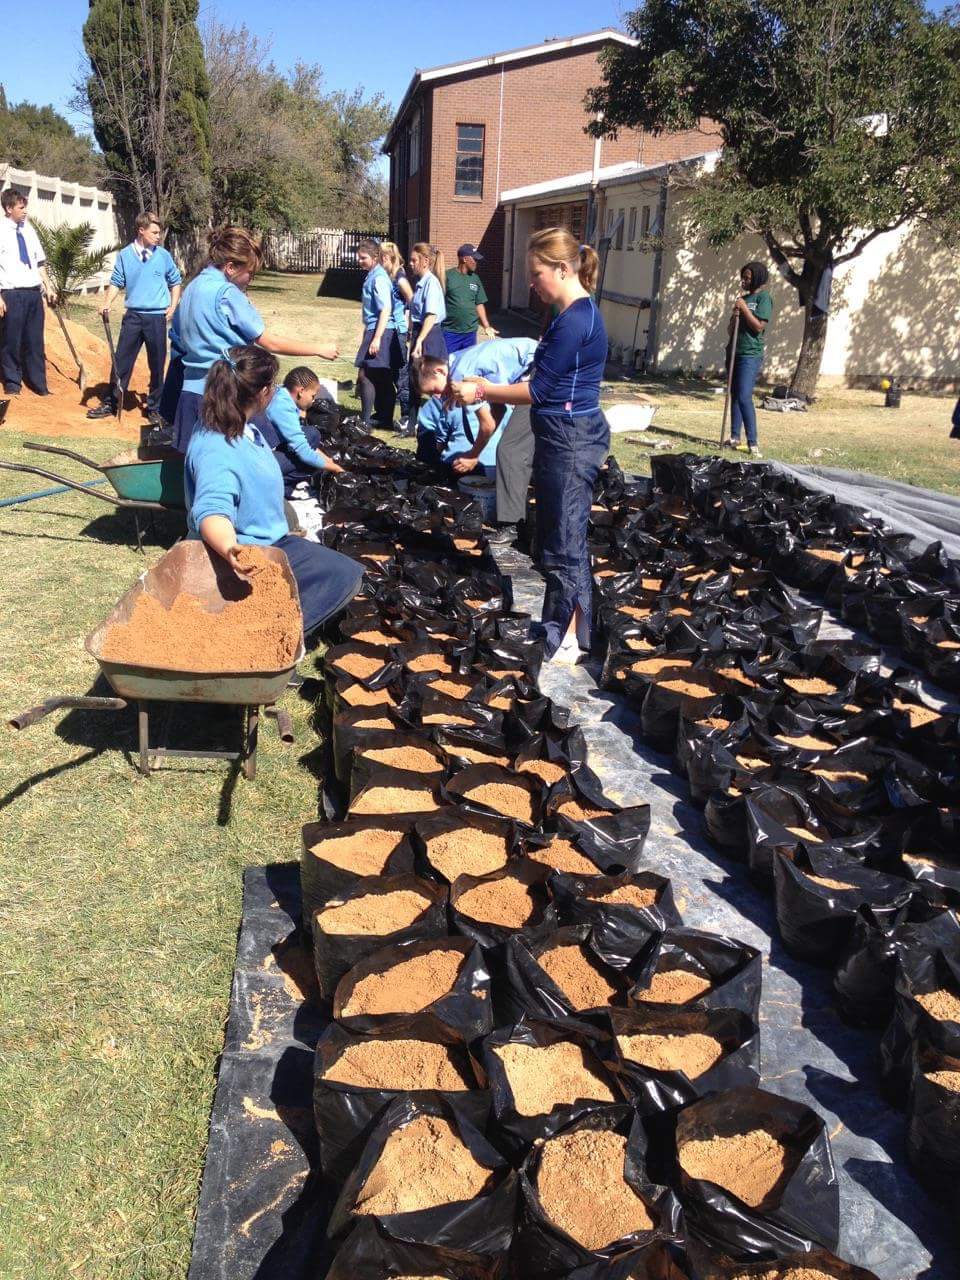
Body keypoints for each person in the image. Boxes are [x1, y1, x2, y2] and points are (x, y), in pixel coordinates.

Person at [449, 227, 607, 662]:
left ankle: (568, 636)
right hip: (560, 435)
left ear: (561, 268)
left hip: (572, 438)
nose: (531, 283)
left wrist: (482, 390)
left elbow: (538, 391)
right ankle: (566, 626)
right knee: (557, 533)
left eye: (537, 274)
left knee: (565, 538)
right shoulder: (565, 315)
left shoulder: (575, 319)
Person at [185, 344, 362, 636]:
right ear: (264, 392)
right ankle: (269, 640)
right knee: (344, 576)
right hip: (248, 552)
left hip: (268, 538)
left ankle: (273, 622)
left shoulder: (241, 426)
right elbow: (212, 511)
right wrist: (232, 550)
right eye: (275, 385)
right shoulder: (217, 447)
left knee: (339, 567)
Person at [163, 226, 339, 452]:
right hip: (227, 395)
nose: (250, 280)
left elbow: (178, 334)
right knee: (268, 454)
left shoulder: (192, 287)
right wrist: (318, 348)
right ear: (230, 268)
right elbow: (268, 341)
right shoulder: (226, 294)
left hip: (191, 394)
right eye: (250, 273)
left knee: (199, 467)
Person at [87, 211, 182, 426]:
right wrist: (107, 302)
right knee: (121, 362)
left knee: (157, 365)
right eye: (154, 232)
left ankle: (155, 408)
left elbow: (175, 282)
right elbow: (116, 281)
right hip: (133, 317)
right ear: (141, 230)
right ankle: (112, 403)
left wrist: (173, 306)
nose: (158, 236)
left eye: (159, 232)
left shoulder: (163, 255)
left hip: (156, 317)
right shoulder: (125, 255)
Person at [416, 336, 537, 478]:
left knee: (509, 450)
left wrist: (473, 455)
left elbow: (487, 425)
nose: (437, 396)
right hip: (536, 358)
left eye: (434, 390)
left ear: (439, 371)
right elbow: (499, 410)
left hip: (537, 366)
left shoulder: (459, 376)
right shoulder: (456, 360)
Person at [255, 366, 345, 541]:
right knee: (311, 436)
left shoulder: (281, 396)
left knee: (311, 435)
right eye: (312, 396)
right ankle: (280, 487)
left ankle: (283, 488)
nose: (313, 401)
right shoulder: (282, 407)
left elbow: (300, 441)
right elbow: (303, 451)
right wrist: (335, 469)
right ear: (300, 391)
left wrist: (327, 459)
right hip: (263, 461)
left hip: (268, 454)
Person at [0, 188, 55, 397]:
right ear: (8, 208)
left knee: (35, 340)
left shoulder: (29, 230)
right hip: (12, 293)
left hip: (33, 293)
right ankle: (13, 382)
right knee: (11, 340)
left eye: (25, 207)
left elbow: (39, 262)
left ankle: (39, 384)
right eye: (21, 208)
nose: (25, 211)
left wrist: (48, 287)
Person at [725, 260, 773, 458]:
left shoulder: (764, 298)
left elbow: (759, 326)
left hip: (750, 354)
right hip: (734, 351)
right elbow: (730, 331)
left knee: (745, 396)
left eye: (747, 277)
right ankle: (735, 437)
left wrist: (744, 309)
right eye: (742, 277)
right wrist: (735, 316)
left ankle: (753, 442)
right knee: (735, 395)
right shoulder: (742, 299)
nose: (743, 281)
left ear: (757, 279)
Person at [355, 239, 403, 430]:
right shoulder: (372, 275)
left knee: (367, 375)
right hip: (375, 329)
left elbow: (386, 309)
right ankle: (382, 418)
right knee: (380, 377)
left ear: (375, 257)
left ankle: (368, 420)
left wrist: (376, 338)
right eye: (358, 257)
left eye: (363, 258)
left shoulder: (379, 278)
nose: (359, 261)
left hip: (382, 331)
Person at [406, 242, 448, 426]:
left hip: (429, 335)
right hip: (419, 332)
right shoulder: (421, 284)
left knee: (432, 381)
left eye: (414, 260)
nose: (410, 263)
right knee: (414, 379)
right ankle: (412, 422)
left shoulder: (431, 283)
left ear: (425, 261)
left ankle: (441, 421)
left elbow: (431, 315)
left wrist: (420, 340)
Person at [379, 241, 414, 434]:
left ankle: (407, 416)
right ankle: (386, 413)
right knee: (389, 372)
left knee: (401, 375)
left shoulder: (399, 276)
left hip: (398, 331)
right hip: (389, 329)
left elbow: (411, 298)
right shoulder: (387, 275)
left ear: (386, 258)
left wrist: (409, 326)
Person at [441, 243, 498, 356]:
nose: (476, 262)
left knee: (466, 365)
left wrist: (486, 326)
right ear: (464, 259)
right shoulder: (447, 276)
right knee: (447, 364)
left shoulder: (475, 279)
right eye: (474, 259)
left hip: (470, 333)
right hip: (450, 331)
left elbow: (479, 303)